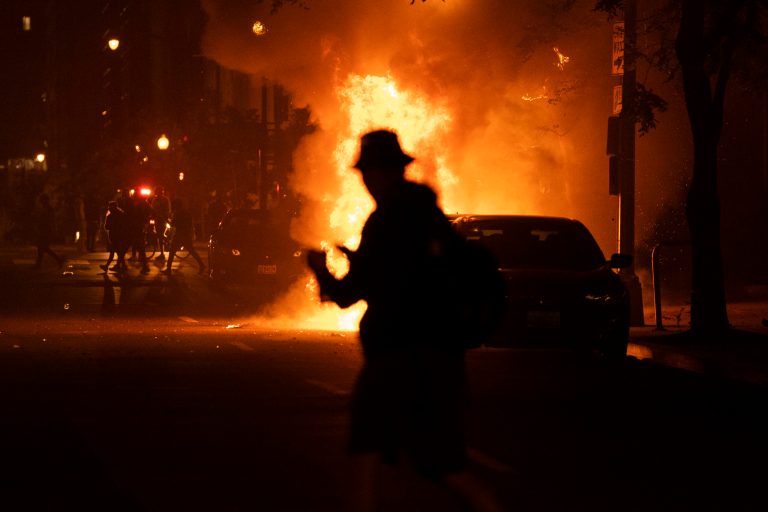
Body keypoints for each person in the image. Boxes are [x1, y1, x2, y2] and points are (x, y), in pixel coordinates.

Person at [306, 130, 502, 512]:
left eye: (368, 171)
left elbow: (349, 295)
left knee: (364, 454)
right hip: (442, 357)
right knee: (443, 467)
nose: (365, 180)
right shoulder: (428, 213)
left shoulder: (385, 221)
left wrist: (321, 270)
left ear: (381, 172)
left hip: (396, 359)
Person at [163, 197, 205, 275]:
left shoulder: (177, 213)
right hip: (186, 235)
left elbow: (173, 224)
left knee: (172, 252)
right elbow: (190, 224)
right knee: (192, 251)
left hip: (179, 235)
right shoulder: (187, 213)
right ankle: (202, 265)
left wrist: (167, 220)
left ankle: (168, 269)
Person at [33, 193, 65, 270]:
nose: (41, 201)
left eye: (42, 199)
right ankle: (39, 265)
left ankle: (59, 260)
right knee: (41, 248)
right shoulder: (45, 208)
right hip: (43, 230)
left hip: (46, 230)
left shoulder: (49, 209)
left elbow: (51, 220)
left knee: (43, 247)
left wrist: (53, 230)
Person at [99, 201, 128, 273]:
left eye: (109, 206)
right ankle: (122, 266)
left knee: (114, 251)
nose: (109, 208)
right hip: (120, 236)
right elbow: (124, 225)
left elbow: (106, 227)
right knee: (119, 252)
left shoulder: (110, 216)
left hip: (114, 236)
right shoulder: (121, 214)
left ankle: (107, 266)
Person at [150, 187, 171, 260]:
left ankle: (162, 253)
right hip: (157, 220)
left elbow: (167, 210)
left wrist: (164, 216)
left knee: (160, 235)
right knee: (159, 236)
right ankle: (162, 251)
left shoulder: (165, 199)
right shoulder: (154, 200)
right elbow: (152, 209)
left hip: (162, 220)